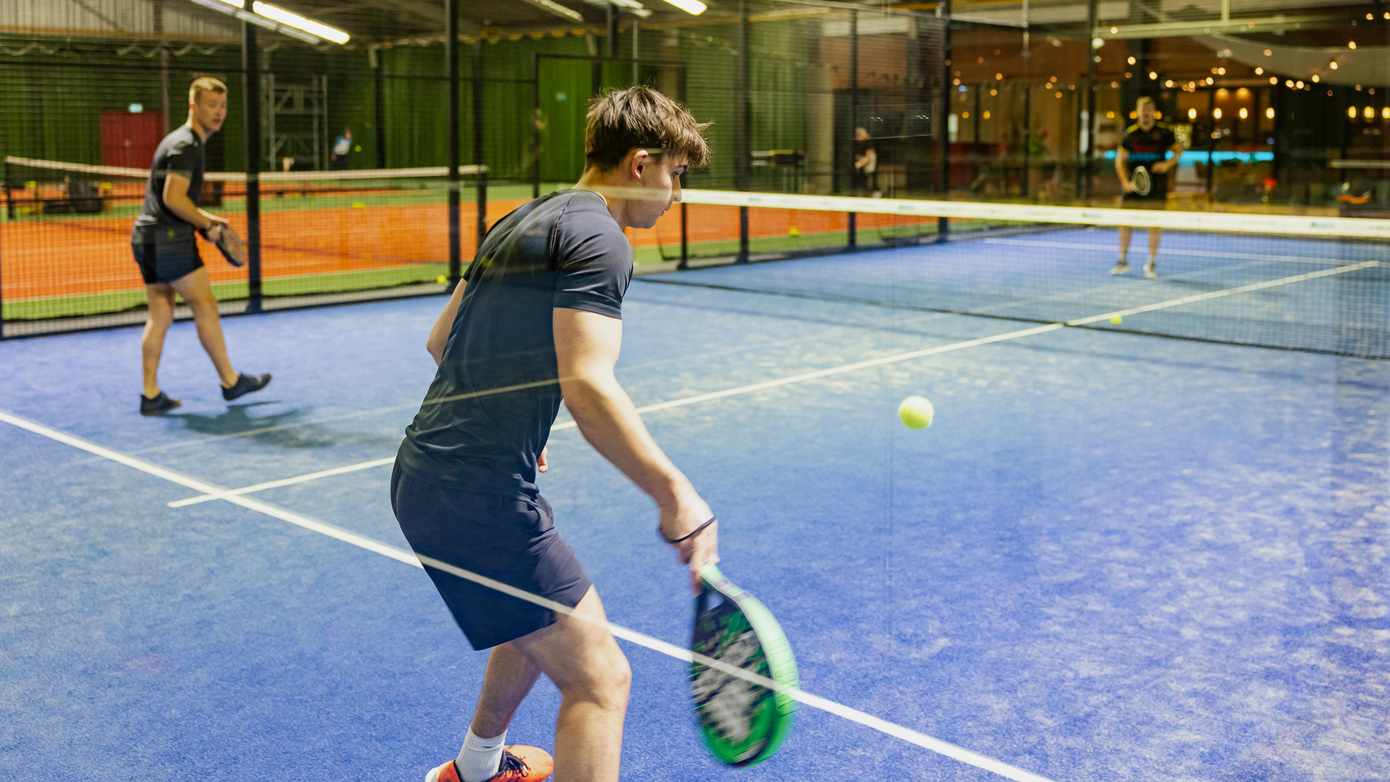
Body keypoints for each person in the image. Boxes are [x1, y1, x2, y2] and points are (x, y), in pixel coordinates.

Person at [390, 86, 716, 782]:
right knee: (601, 681)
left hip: (430, 472)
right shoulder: (603, 239)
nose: (675, 194)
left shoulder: (523, 216)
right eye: (676, 175)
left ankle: (475, 767)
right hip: (475, 492)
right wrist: (677, 496)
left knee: (540, 616)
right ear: (640, 164)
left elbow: (441, 338)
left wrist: (515, 413)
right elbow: (590, 387)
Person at [130, 75, 270, 415]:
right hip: (169, 241)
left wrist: (207, 219)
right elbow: (174, 198)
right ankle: (230, 381)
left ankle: (150, 394)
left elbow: (171, 200)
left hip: (146, 237)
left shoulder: (177, 141)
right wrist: (206, 223)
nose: (218, 112)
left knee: (160, 314)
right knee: (204, 304)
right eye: (211, 105)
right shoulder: (186, 146)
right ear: (193, 106)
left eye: (222, 106)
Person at [1113, 96, 1184, 279]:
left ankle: (1151, 263)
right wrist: (1125, 182)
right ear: (1138, 112)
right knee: (1125, 224)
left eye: (1148, 110)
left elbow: (1178, 151)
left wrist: (1168, 165)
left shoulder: (1164, 133)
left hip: (1157, 187)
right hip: (1133, 187)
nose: (1145, 114)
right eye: (1142, 111)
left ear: (1153, 112)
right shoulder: (1130, 134)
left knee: (1154, 224)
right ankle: (1122, 261)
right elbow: (1120, 161)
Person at [852, 126, 879, 196]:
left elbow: (869, 156)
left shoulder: (869, 142)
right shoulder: (860, 143)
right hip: (864, 162)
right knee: (865, 178)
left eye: (859, 134)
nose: (858, 137)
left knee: (870, 179)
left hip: (869, 163)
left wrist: (860, 163)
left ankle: (875, 192)